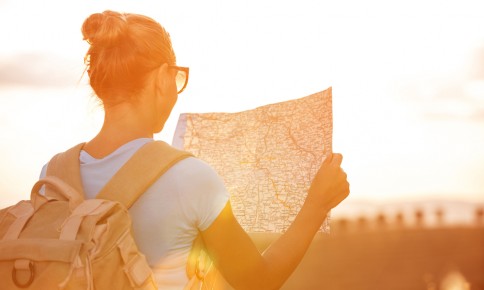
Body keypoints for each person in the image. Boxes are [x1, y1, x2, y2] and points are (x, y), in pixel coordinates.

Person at [40, 10, 350, 290]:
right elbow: (259, 281)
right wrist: (316, 205)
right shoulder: (189, 177)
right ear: (163, 78)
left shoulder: (52, 175)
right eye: (176, 77)